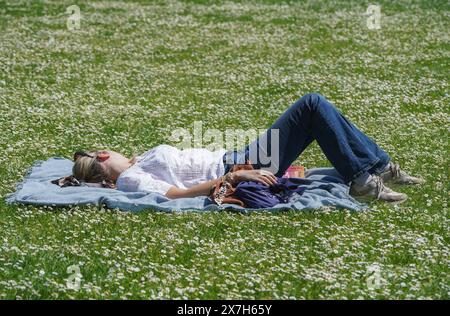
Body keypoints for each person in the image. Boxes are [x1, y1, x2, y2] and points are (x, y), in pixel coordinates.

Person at [72, 93, 424, 203]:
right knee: (313, 106)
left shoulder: (136, 167)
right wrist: (237, 177)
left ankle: (375, 166)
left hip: (239, 158)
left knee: (317, 111)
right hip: (240, 164)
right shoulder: (131, 180)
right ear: (103, 157)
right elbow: (176, 194)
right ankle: (366, 176)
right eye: (108, 150)